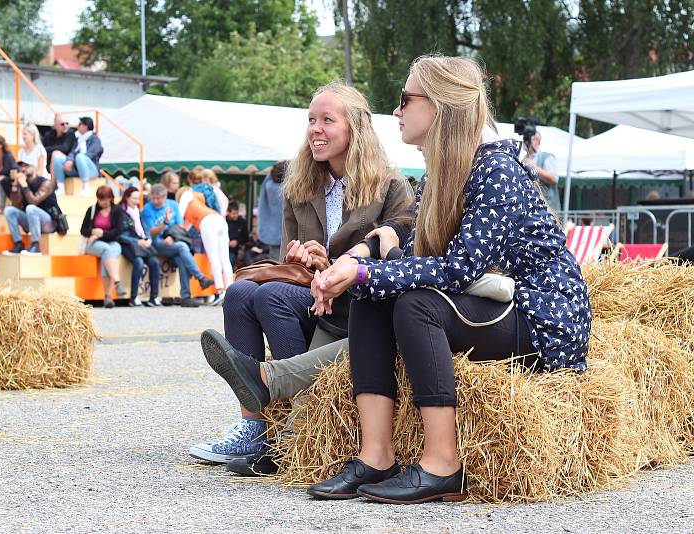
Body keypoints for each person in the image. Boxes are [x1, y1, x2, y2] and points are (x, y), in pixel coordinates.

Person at [303, 55, 591, 504]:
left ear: (438, 106)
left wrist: (362, 268)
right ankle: (376, 456)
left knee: (413, 302)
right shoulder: (441, 173)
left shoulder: (494, 170)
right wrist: (360, 271)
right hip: (496, 303)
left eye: (405, 99)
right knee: (373, 295)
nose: (396, 111)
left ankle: (443, 465)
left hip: (542, 318)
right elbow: (416, 253)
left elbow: (459, 269)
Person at [190, 82, 413, 465]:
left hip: (360, 302)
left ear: (354, 128)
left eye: (327, 120)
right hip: (311, 296)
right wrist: (302, 260)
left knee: (270, 296)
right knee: (242, 293)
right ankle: (254, 427)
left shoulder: (390, 185)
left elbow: (400, 258)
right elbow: (285, 267)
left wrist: (333, 265)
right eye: (311, 120)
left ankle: (303, 422)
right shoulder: (300, 185)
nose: (315, 129)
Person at [141, 183, 214, 308]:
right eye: (153, 198)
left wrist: (172, 237)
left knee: (181, 259)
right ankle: (200, 277)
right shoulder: (148, 208)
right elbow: (151, 232)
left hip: (174, 241)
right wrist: (165, 223)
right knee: (182, 247)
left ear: (165, 197)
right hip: (156, 243)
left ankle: (185, 296)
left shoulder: (173, 205)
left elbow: (180, 226)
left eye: (158, 198)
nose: (155, 201)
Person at [177, 184, 233, 305]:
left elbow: (179, 215)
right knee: (224, 258)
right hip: (219, 220)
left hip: (207, 223)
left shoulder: (187, 194)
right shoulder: (198, 198)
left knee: (214, 257)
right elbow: (186, 226)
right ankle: (230, 291)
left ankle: (220, 292)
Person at [80, 186, 127, 308]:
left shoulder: (117, 210)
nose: (104, 203)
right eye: (101, 200)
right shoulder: (92, 210)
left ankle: (108, 297)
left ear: (111, 198)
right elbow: (83, 230)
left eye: (106, 200)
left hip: (112, 241)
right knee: (107, 250)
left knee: (109, 252)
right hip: (93, 244)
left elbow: (118, 230)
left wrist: (101, 234)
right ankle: (117, 283)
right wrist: (94, 232)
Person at [2, 161, 59, 256]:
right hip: (32, 221)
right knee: (9, 210)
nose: (23, 169)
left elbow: (34, 201)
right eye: (21, 166)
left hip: (49, 222)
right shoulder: (23, 184)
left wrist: (24, 185)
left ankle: (36, 245)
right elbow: (15, 205)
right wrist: (15, 186)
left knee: (31, 208)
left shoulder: (46, 183)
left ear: (35, 167)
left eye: (27, 165)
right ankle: (18, 244)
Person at [118, 186, 160, 307]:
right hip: (127, 244)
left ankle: (154, 297)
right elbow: (120, 234)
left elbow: (145, 228)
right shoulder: (121, 212)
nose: (137, 201)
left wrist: (148, 239)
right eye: (134, 198)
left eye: (138, 198)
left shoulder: (138, 212)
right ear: (126, 198)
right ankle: (134, 296)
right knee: (139, 262)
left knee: (154, 262)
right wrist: (137, 242)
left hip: (141, 244)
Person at [52, 116, 103, 196]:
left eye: (80, 124)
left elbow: (92, 154)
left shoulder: (94, 139)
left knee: (80, 157)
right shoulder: (78, 139)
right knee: (58, 159)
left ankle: (85, 188)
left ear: (85, 126)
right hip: (78, 168)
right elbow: (72, 152)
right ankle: (61, 188)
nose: (77, 126)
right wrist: (69, 160)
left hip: (91, 170)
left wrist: (74, 161)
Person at [523, 131, 560, 212]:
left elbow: (553, 179)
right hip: (530, 206)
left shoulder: (547, 157)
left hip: (547, 208)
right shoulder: (523, 158)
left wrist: (534, 168)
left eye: (528, 139)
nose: (525, 142)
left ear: (537, 141)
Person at [257, 160, 286, 260]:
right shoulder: (288, 190)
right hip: (287, 234)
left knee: (274, 262)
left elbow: (267, 178)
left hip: (272, 234)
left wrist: (274, 168)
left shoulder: (269, 186)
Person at [42, 114, 76, 186]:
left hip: (67, 163)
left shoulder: (70, 134)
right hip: (50, 164)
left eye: (67, 123)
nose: (65, 126)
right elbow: (41, 148)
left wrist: (48, 149)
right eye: (62, 124)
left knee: (55, 153)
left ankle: (52, 184)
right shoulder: (49, 135)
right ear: (55, 126)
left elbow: (65, 148)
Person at [226, 201, 249, 267]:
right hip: (223, 247)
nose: (236, 215)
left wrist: (237, 242)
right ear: (229, 213)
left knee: (229, 260)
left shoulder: (242, 222)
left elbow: (246, 238)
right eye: (233, 213)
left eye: (237, 213)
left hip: (235, 250)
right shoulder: (223, 221)